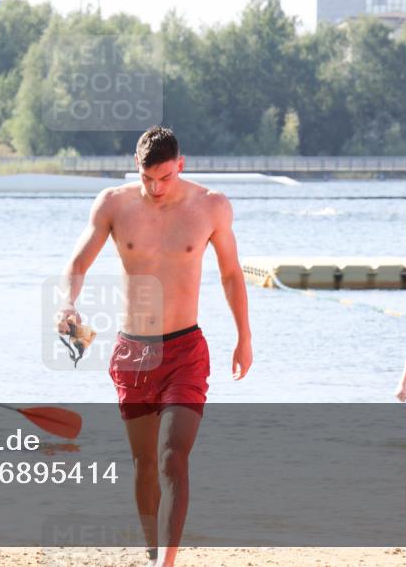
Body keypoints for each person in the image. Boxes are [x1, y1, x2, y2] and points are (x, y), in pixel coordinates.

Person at [57, 126, 252, 567]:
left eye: (165, 177)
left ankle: (167, 561)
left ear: (180, 164)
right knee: (145, 463)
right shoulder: (113, 204)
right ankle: (151, 554)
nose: (156, 188)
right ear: (136, 167)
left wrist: (244, 336)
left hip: (185, 351)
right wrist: (67, 304)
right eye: (148, 179)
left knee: (171, 457)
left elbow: (231, 274)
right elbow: (77, 263)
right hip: (133, 353)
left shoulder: (211, 206)